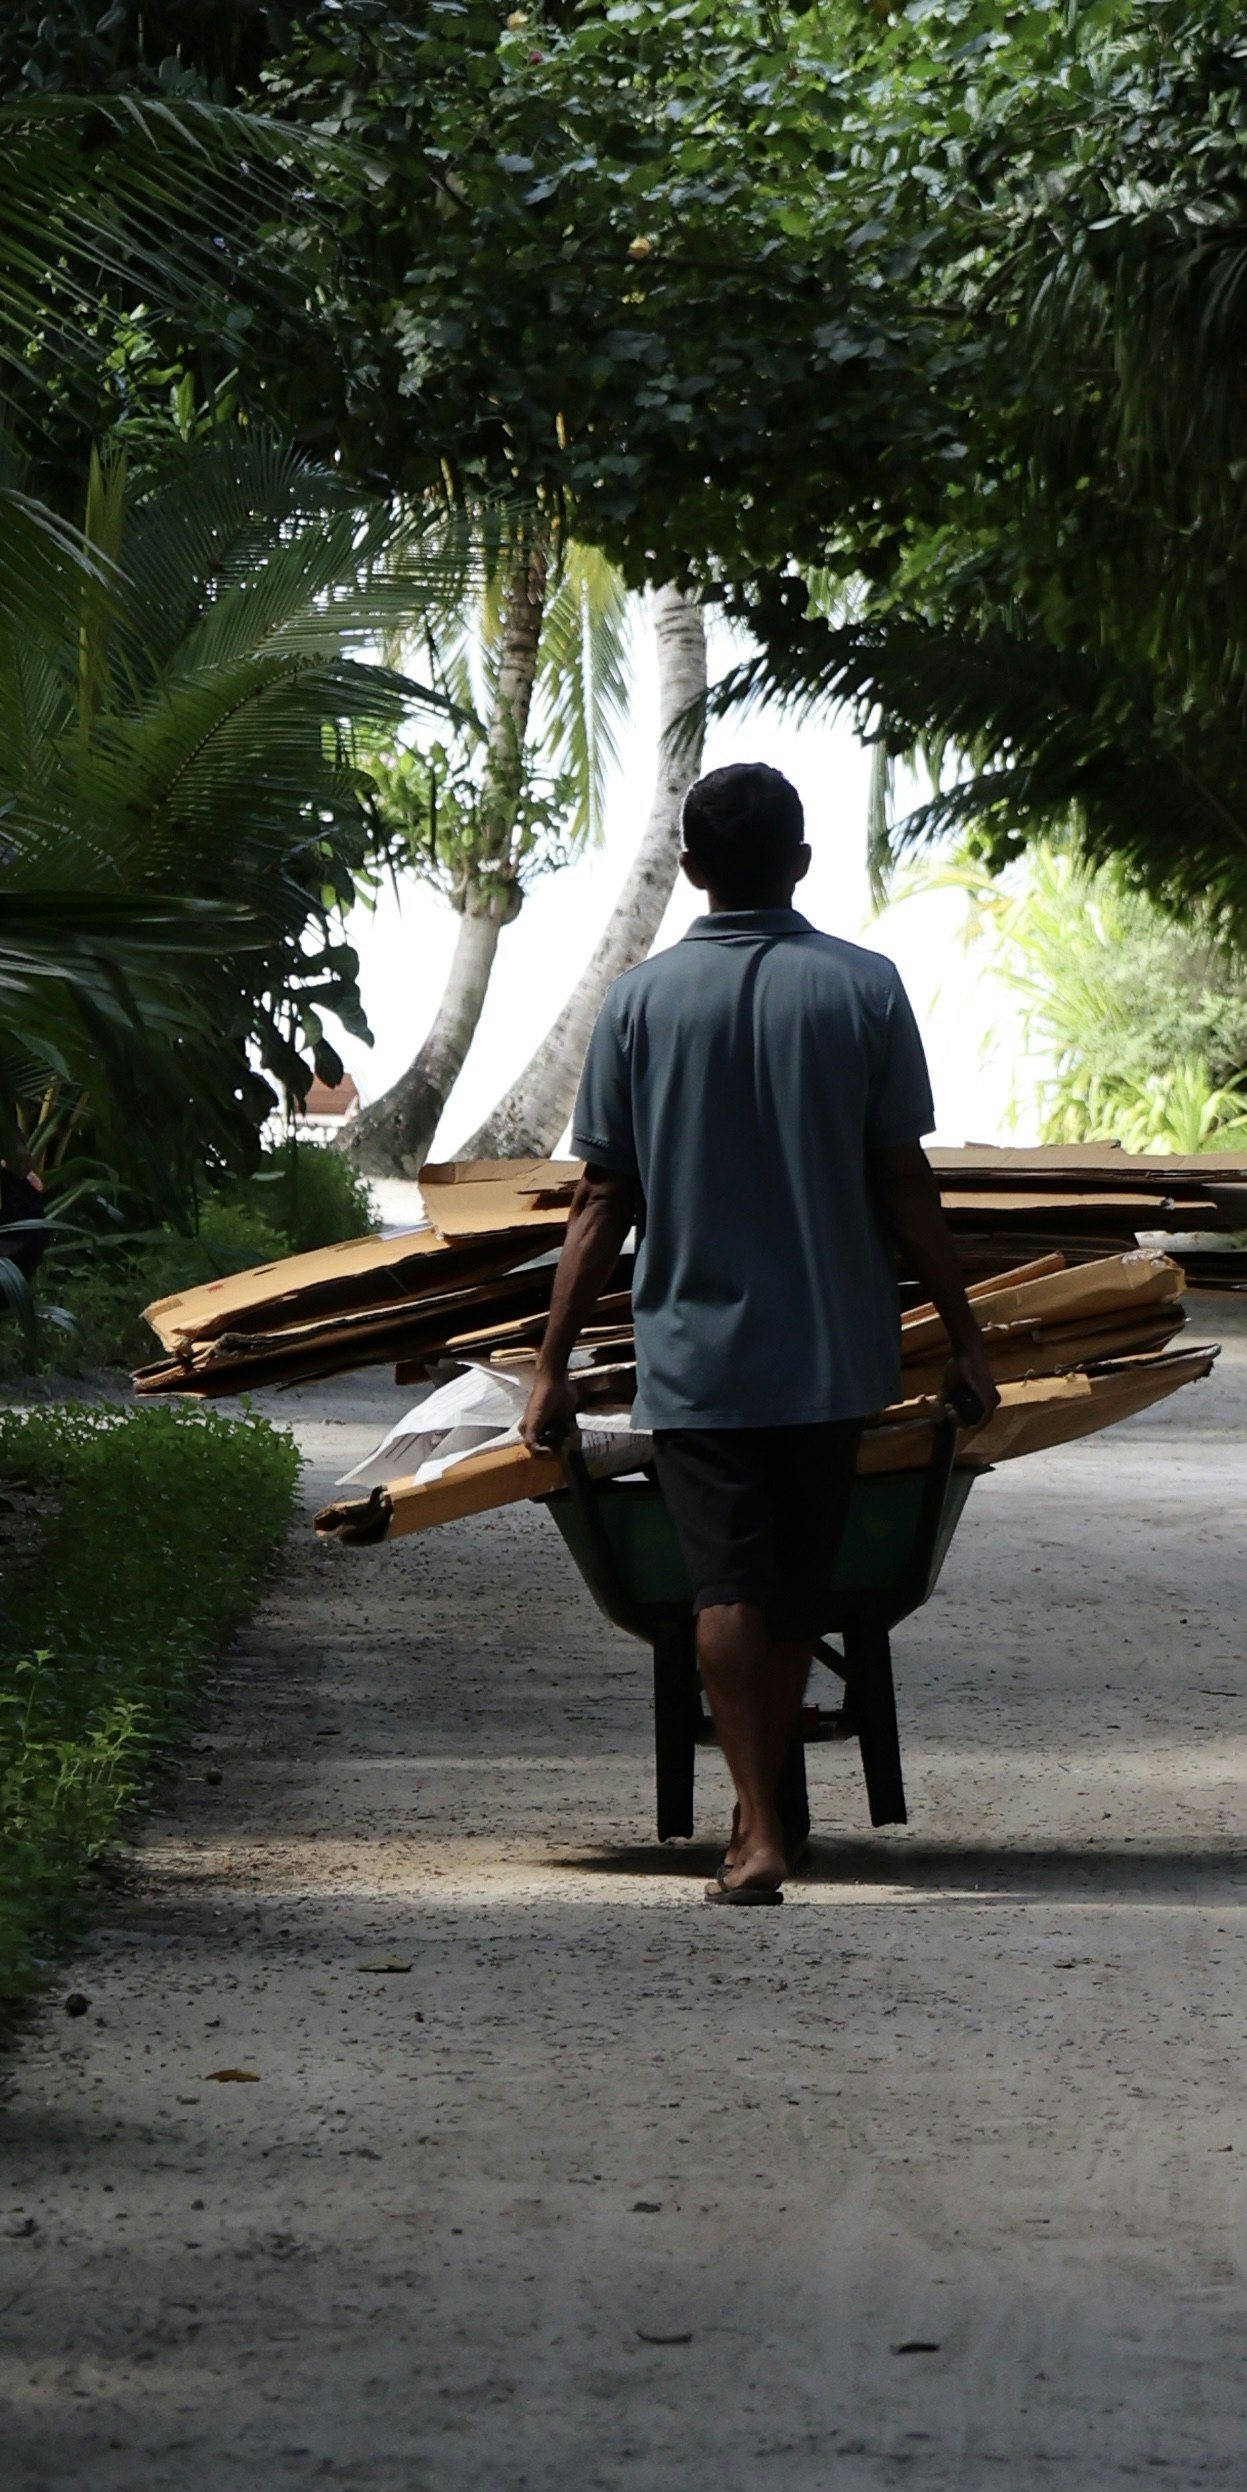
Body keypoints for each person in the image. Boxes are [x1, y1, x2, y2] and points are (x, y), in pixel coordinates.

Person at [520, 759, 999, 1905]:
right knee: (792, 1587)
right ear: (797, 863)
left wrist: (548, 1367)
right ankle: (761, 1816)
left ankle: (755, 1826)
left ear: (688, 870)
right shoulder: (864, 988)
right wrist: (965, 1333)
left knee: (722, 1586)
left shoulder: (636, 1002)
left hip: (695, 1351)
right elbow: (903, 1185)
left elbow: (600, 1202)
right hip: (832, 1348)